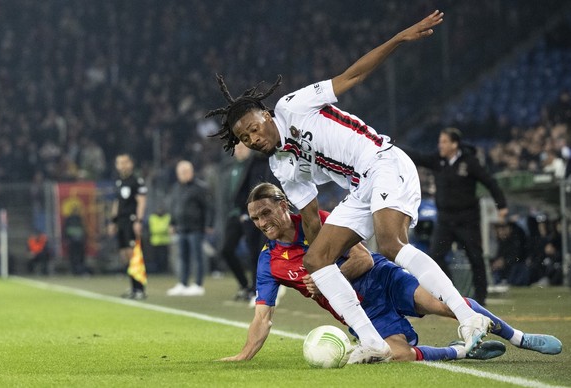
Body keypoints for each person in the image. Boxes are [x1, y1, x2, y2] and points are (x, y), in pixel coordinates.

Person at [207, 10, 492, 362]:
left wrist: (399, 38)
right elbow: (310, 219)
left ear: (266, 116)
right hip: (360, 187)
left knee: (390, 244)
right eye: (244, 137)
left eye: (253, 127)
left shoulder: (292, 106)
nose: (252, 138)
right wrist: (324, 269)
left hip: (383, 161)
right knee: (316, 259)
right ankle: (371, 341)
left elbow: (352, 76)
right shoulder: (280, 164)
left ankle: (469, 319)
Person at [220, 183, 562, 362]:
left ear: (283, 205)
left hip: (381, 278)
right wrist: (242, 355)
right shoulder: (269, 262)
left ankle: (520, 338)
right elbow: (262, 317)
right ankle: (461, 351)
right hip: (362, 313)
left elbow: (364, 260)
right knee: (395, 355)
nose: (263, 223)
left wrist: (325, 281)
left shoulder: (320, 223)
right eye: (256, 219)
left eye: (267, 212)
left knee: (444, 304)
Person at [399, 128, 509, 306]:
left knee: (475, 257)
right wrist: (393, 146)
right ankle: (452, 293)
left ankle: (481, 297)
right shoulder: (438, 160)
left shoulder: (470, 162)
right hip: (445, 220)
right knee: (435, 256)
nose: (439, 145)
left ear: (454, 144)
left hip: (467, 219)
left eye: (443, 142)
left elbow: (489, 181)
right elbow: (418, 157)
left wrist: (501, 205)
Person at [216, 142, 279, 301]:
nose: (239, 150)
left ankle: (254, 288)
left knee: (255, 252)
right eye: (237, 148)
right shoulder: (229, 168)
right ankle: (245, 285)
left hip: (251, 213)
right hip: (234, 214)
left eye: (242, 147)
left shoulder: (257, 164)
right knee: (226, 249)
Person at [166, 160, 213, 296]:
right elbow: (174, 207)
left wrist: (208, 224)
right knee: (182, 257)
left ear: (192, 172)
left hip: (196, 227)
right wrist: (172, 223)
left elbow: (208, 208)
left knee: (197, 257)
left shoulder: (200, 187)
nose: (183, 174)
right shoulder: (176, 188)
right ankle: (183, 283)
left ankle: (198, 284)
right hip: (181, 228)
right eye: (181, 172)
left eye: (186, 171)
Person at [108, 153, 148, 300]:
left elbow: (142, 201)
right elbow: (116, 203)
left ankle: (140, 288)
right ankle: (133, 287)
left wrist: (138, 220)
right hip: (121, 221)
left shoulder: (136, 181)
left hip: (132, 220)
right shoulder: (118, 181)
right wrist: (113, 221)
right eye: (119, 163)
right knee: (124, 255)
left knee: (134, 254)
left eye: (125, 162)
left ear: (131, 164)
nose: (122, 165)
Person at [63, 206, 88, 275]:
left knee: (78, 256)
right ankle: (75, 270)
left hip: (77, 241)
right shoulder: (71, 219)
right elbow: (66, 229)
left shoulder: (79, 219)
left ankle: (78, 270)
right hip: (74, 241)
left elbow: (83, 230)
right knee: (75, 256)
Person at [148, 205, 171, 274]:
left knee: (164, 258)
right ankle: (157, 272)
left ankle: (164, 271)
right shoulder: (152, 217)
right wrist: (164, 229)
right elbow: (154, 229)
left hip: (165, 241)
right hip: (155, 241)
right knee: (156, 258)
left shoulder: (167, 217)